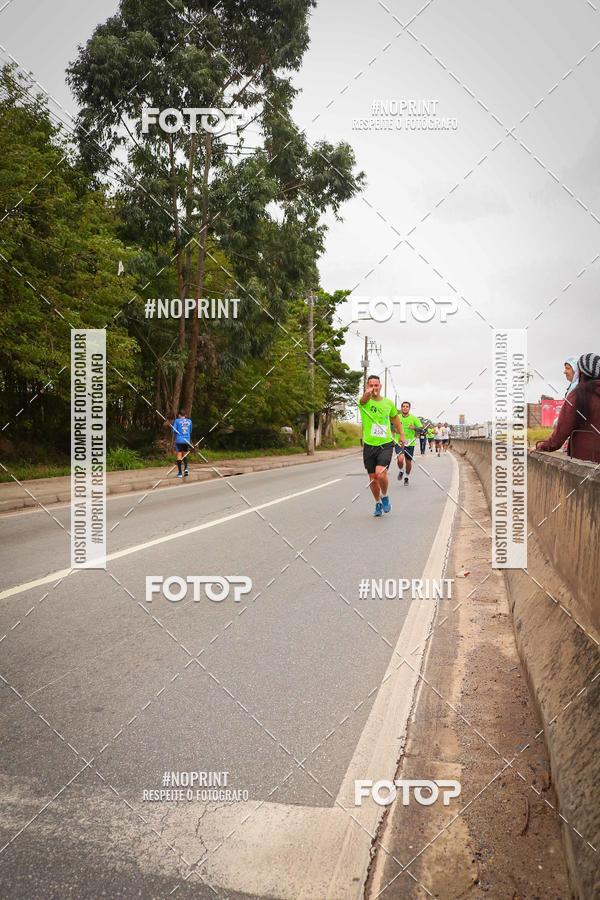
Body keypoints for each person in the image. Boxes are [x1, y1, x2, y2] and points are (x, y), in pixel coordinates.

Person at [536, 353, 600, 463]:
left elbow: (560, 433)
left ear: (581, 373)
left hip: (584, 460)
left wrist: (541, 446)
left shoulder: (578, 395)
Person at [359, 376, 405, 516]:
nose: (374, 387)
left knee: (380, 474)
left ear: (380, 386)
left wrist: (401, 433)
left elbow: (395, 419)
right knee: (373, 478)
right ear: (367, 386)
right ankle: (378, 503)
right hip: (369, 445)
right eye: (371, 385)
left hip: (385, 443)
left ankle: (384, 496)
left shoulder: (388, 403)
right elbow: (363, 400)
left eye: (376, 385)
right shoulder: (363, 402)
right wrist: (368, 392)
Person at [395, 402, 423, 485]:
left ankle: (406, 477)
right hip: (399, 441)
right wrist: (394, 429)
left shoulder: (414, 418)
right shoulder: (397, 417)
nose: (405, 408)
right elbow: (391, 425)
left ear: (409, 408)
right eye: (403, 406)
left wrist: (414, 428)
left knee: (408, 462)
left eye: (407, 406)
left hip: (410, 443)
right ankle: (401, 471)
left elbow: (421, 429)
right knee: (400, 459)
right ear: (401, 408)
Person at [172, 410, 193, 478]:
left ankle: (180, 473)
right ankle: (186, 469)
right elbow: (190, 431)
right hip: (186, 440)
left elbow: (174, 431)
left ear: (179, 415)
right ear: (185, 415)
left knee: (179, 455)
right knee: (185, 455)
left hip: (179, 440)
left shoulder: (177, 421)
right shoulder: (189, 421)